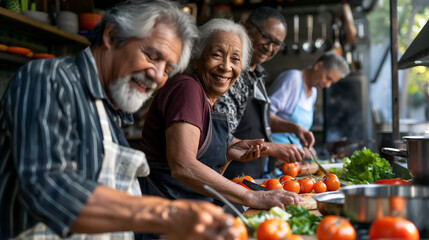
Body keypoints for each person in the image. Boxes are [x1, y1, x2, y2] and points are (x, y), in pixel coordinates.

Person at [0, 1, 241, 239]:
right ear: (112, 35)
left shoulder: (111, 109)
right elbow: (49, 187)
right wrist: (169, 214)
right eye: (152, 56)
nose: (157, 76)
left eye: (167, 68)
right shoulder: (50, 80)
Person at [139, 18, 302, 212]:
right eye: (217, 55)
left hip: (191, 211)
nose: (226, 67)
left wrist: (228, 155)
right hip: (164, 217)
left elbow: (204, 181)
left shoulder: (208, 103)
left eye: (235, 59)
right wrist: (253, 196)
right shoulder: (187, 89)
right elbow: (183, 166)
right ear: (196, 59)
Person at [213, 7, 314, 179]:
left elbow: (259, 119)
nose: (270, 47)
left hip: (253, 176)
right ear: (247, 28)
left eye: (277, 43)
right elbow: (218, 135)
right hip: (227, 177)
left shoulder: (257, 75)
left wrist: (294, 128)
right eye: (266, 37)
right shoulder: (228, 75)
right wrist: (273, 148)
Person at [269, 52, 350, 152]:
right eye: (328, 78)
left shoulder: (313, 92)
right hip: (274, 154)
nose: (327, 85)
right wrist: (294, 128)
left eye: (331, 82)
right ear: (318, 66)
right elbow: (264, 117)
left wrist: (306, 148)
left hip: (292, 161)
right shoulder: (293, 78)